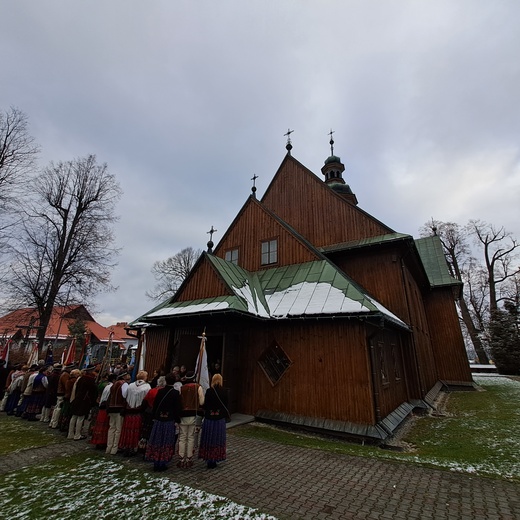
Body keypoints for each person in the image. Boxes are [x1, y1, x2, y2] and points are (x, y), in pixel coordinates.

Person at [145, 372, 181, 471]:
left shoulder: (160, 391)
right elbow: (176, 408)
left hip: (159, 419)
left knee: (157, 439)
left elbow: (155, 405)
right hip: (169, 420)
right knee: (166, 440)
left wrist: (154, 416)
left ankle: (156, 460)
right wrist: (178, 420)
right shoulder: (175, 393)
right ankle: (163, 461)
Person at [198, 374, 229, 468]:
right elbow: (226, 405)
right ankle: (215, 458)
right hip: (219, 419)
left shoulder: (209, 391)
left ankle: (208, 458)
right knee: (217, 439)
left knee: (209, 438)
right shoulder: (224, 391)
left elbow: (205, 405)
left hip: (209, 419)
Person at [118, 370, 151, 456]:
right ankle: (134, 446)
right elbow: (147, 399)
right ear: (145, 377)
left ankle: (126, 446)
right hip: (138, 412)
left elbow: (125, 396)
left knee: (128, 430)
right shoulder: (147, 386)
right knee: (136, 430)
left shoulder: (130, 385)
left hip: (129, 411)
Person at [178, 370, 204, 469]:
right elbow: (201, 402)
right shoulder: (198, 387)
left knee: (182, 437)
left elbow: (179, 401)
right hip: (193, 414)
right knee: (191, 437)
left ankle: (181, 458)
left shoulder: (182, 388)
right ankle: (189, 458)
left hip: (183, 415)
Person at [68, 365, 98, 440]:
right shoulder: (90, 379)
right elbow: (93, 391)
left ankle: (70, 433)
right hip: (84, 400)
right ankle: (77, 434)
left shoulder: (80, 378)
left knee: (74, 417)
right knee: (80, 417)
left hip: (77, 398)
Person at [105, 372, 131, 455]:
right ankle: (114, 448)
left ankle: (108, 447)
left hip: (111, 408)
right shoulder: (124, 384)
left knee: (111, 428)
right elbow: (124, 395)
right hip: (119, 408)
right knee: (118, 429)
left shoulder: (114, 384)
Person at [90, 373, 116, 449]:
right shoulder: (111, 386)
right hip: (105, 407)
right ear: (114, 380)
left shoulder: (107, 386)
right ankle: (102, 442)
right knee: (104, 426)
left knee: (100, 425)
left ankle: (98, 441)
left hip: (101, 406)